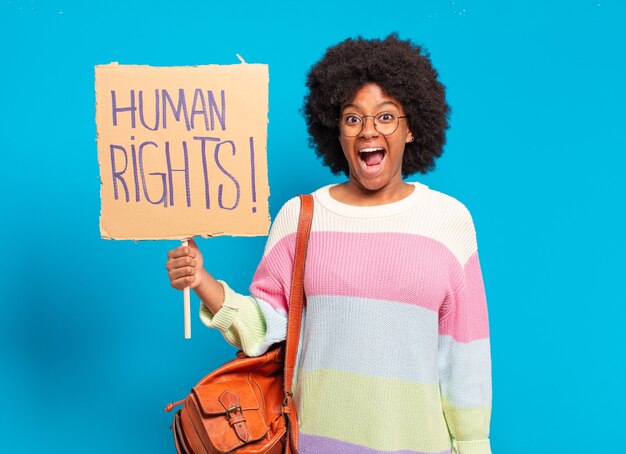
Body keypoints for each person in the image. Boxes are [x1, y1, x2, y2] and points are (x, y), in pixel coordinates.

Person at [166, 34, 492, 454]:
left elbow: (464, 357)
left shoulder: (449, 221)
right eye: (352, 118)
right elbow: (265, 328)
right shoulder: (301, 217)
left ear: (412, 128)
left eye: (386, 117)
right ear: (335, 131)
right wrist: (201, 279)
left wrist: (473, 446)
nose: (368, 131)